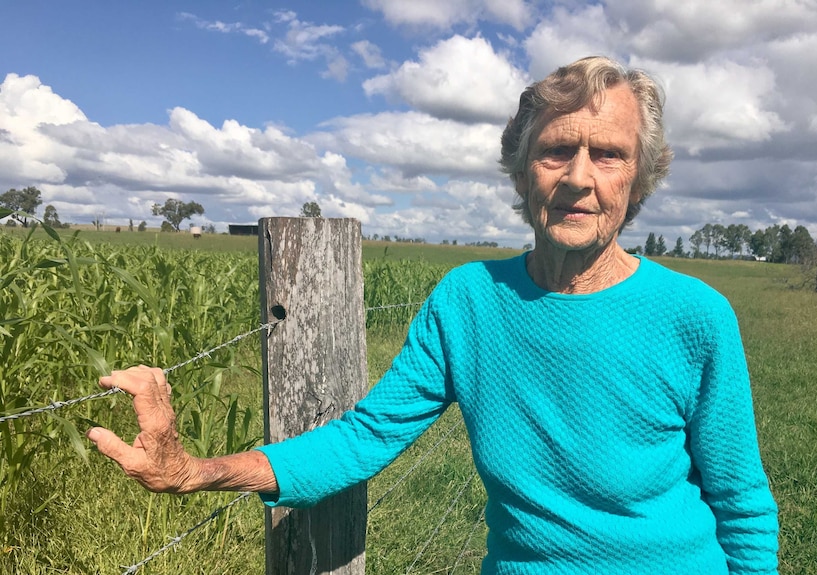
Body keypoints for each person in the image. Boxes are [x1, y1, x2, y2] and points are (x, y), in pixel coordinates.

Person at [86, 56, 779, 574]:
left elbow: (742, 504)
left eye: (609, 154)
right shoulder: (468, 301)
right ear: (520, 170)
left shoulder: (696, 317)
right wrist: (194, 470)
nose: (579, 177)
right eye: (556, 150)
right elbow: (363, 437)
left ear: (640, 175)